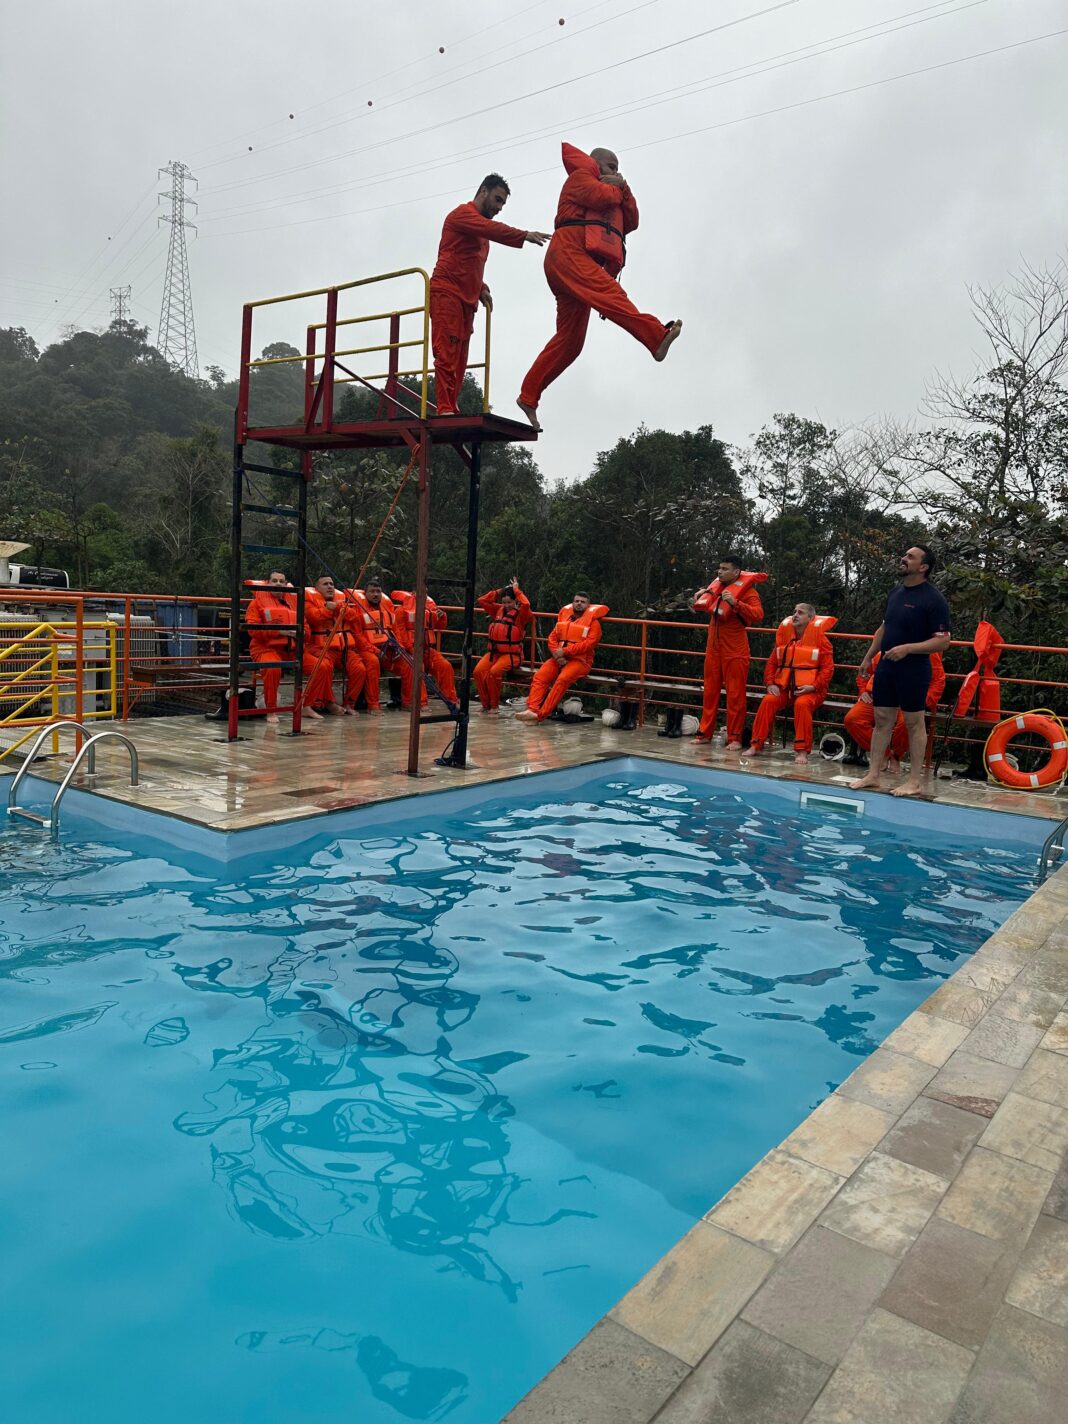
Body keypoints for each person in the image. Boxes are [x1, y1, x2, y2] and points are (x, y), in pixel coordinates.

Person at [517, 143, 682, 430]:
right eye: (612, 167)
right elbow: (602, 196)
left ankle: (528, 396)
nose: (617, 173)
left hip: (575, 261)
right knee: (611, 295)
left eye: (619, 169)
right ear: (597, 165)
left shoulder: (616, 188)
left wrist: (623, 187)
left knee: (571, 342)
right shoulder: (580, 178)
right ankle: (655, 337)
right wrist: (619, 188)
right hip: (568, 252)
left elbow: (632, 221)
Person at [430, 175, 549, 417]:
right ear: (483, 191)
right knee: (447, 351)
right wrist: (523, 235)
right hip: (446, 292)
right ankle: (444, 407)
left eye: (503, 204)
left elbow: (465, 259)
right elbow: (490, 229)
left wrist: (481, 287)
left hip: (467, 298)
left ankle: (451, 405)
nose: (499, 207)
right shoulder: (462, 215)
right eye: (497, 200)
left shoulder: (482, 236)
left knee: (461, 354)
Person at [848, 546, 951, 797]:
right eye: (905, 555)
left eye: (910, 557)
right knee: (882, 719)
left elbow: (943, 641)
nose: (903, 559)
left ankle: (914, 781)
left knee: (915, 724)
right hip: (886, 667)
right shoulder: (896, 592)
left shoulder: (933, 599)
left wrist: (908, 648)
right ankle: (873, 774)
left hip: (913, 668)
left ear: (923, 567)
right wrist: (869, 656)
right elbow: (884, 629)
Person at [742, 604, 836, 765]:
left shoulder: (821, 640)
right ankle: (756, 744)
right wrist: (770, 683)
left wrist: (813, 686)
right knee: (768, 700)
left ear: (810, 619)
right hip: (785, 688)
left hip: (812, 690)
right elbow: (772, 663)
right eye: (794, 612)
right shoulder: (785, 637)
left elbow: (828, 668)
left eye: (800, 613)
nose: (795, 615)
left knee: (802, 704)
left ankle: (802, 751)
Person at [693, 556, 765, 750]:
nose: (720, 571)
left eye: (725, 569)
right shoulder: (714, 589)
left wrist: (736, 603)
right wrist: (699, 596)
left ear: (736, 572)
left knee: (735, 695)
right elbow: (704, 606)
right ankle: (704, 733)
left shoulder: (748, 592)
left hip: (735, 650)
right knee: (710, 692)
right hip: (713, 648)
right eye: (719, 568)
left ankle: (734, 738)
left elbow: (758, 615)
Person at [844, 651, 946, 774]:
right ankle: (883, 754)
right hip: (878, 696)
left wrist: (923, 701)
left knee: (907, 724)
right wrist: (863, 691)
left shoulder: (927, 650)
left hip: (908, 700)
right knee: (853, 719)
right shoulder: (885, 641)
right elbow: (864, 672)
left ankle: (896, 755)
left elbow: (938, 680)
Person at [514, 592, 607, 722]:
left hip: (580, 661)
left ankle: (540, 716)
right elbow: (552, 638)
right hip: (558, 658)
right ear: (573, 603)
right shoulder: (565, 617)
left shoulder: (594, 623)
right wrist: (558, 655)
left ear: (588, 605)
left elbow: (589, 644)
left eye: (583, 602)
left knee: (561, 680)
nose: (579, 603)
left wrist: (565, 652)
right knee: (540, 676)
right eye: (577, 601)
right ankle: (532, 710)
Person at [305, 575, 368, 715]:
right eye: (325, 584)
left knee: (360, 669)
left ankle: (349, 703)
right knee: (325, 666)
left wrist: (337, 606)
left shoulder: (341, 602)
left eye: (332, 584)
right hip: (322, 648)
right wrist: (330, 609)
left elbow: (353, 616)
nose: (330, 586)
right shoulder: (309, 602)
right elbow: (314, 617)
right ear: (317, 588)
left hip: (344, 649)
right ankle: (327, 703)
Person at [245, 571, 300, 724]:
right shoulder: (256, 603)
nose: (278, 584)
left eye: (281, 581)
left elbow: (306, 628)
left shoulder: (294, 603)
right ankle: (270, 709)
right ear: (268, 584)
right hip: (264, 648)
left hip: (291, 649)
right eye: (274, 580)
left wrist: (300, 633)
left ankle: (309, 705)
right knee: (273, 667)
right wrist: (278, 631)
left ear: (285, 584)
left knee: (321, 664)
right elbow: (252, 629)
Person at [391, 589, 459, 710]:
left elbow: (440, 627)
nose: (423, 595)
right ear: (413, 594)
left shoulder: (429, 611)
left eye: (425, 593)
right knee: (417, 667)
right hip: (410, 650)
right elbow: (400, 634)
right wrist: (412, 650)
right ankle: (419, 702)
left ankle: (451, 699)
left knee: (445, 666)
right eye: (419, 592)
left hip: (427, 650)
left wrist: (442, 617)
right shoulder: (401, 611)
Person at [473, 578, 532, 712]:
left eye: (509, 602)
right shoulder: (498, 610)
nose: (506, 605)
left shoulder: (521, 614)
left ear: (515, 601)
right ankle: (485, 704)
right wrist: (501, 590)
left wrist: (516, 590)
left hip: (513, 654)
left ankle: (494, 706)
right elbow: (482, 601)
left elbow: (526, 604)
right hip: (494, 652)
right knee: (478, 671)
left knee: (494, 672)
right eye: (504, 602)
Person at [351, 578, 403, 712]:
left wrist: (400, 648)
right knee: (373, 663)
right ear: (365, 593)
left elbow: (396, 631)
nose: (375, 594)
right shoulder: (357, 611)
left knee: (409, 663)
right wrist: (375, 651)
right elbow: (358, 637)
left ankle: (412, 702)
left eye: (378, 591)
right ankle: (373, 705)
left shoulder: (388, 610)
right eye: (372, 591)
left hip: (388, 650)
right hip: (367, 650)